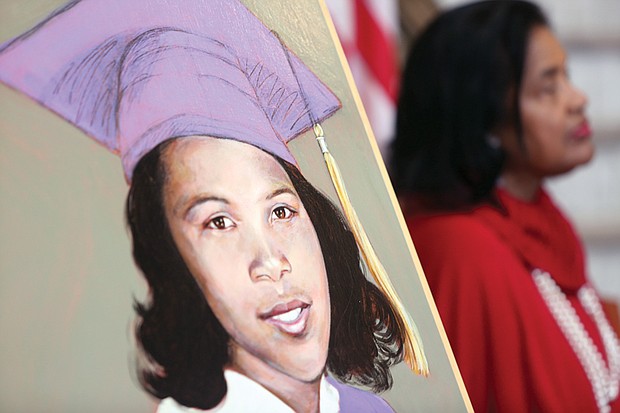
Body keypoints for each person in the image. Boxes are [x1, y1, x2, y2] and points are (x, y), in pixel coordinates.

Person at [0, 0, 429, 411]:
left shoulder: (366, 409)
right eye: (219, 221)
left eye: (281, 211)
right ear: (170, 260)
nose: (271, 261)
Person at [389, 0, 620, 412]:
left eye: (566, 77)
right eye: (548, 88)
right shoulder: (459, 249)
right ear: (483, 117)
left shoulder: (542, 215)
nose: (578, 99)